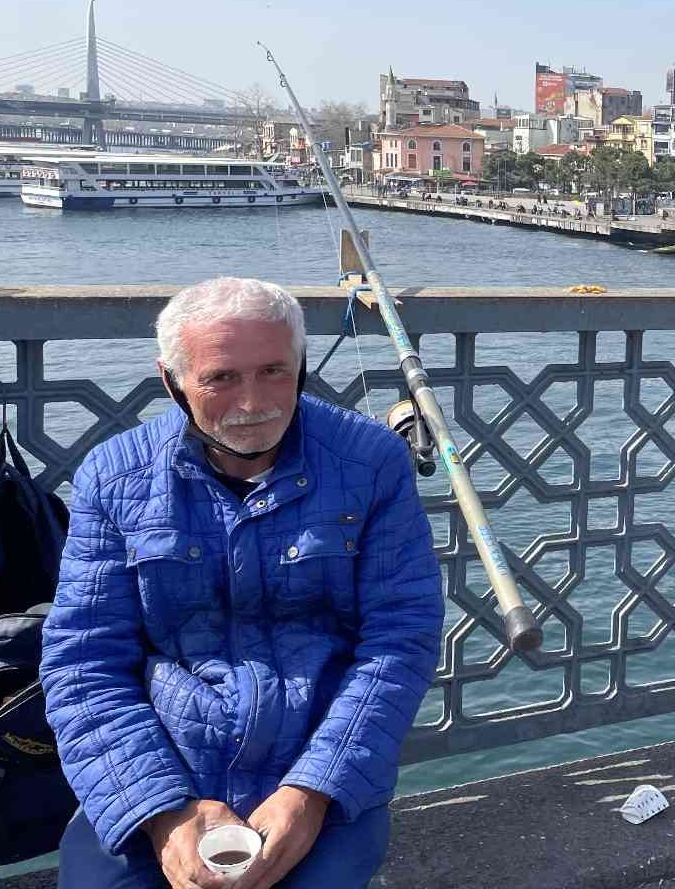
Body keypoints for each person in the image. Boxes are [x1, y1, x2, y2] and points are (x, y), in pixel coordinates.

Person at [40, 278, 444, 889]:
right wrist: (162, 813)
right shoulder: (113, 475)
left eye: (275, 371)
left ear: (302, 364)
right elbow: (83, 660)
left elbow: (400, 639)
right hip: (160, 758)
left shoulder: (372, 462)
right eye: (221, 378)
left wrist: (312, 792)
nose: (254, 403)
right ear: (173, 379)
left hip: (316, 760)